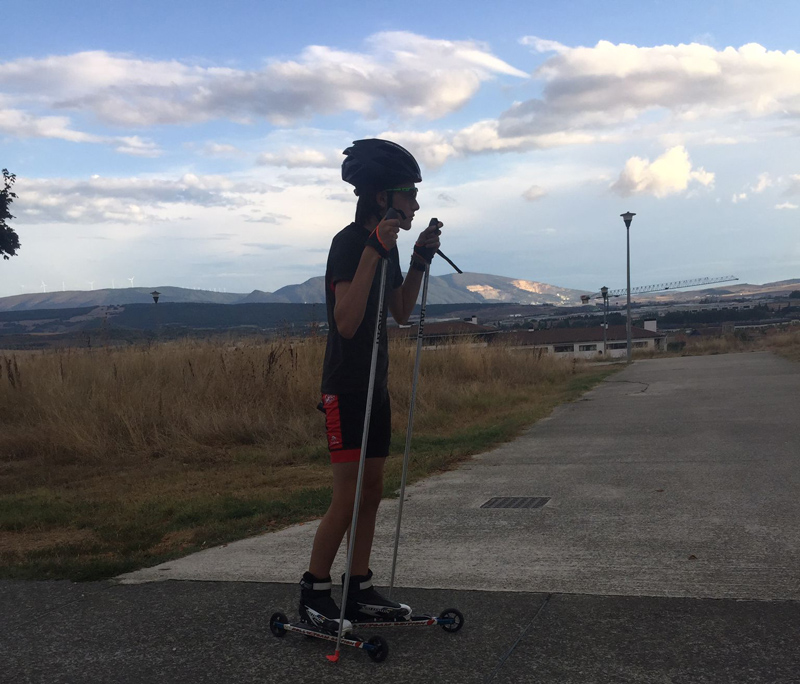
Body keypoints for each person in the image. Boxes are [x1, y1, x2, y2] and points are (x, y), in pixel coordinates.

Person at [298, 139, 442, 634]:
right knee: (348, 493)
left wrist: (418, 259)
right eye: (410, 194)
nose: (416, 204)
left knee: (373, 490)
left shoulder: (390, 245)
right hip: (345, 386)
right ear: (383, 197)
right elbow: (345, 320)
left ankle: (357, 587)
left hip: (376, 384)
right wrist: (373, 252)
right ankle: (314, 592)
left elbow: (399, 312)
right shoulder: (348, 243)